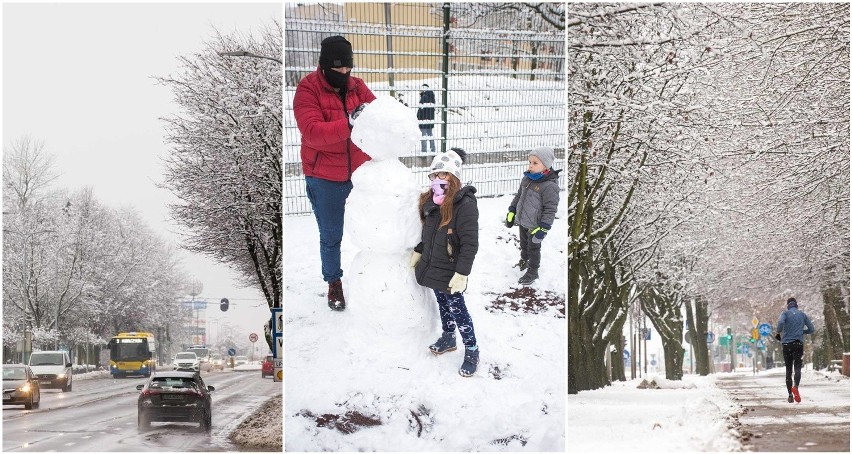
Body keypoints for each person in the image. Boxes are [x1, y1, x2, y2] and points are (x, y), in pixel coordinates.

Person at [293, 35, 376, 311]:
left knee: (376, 227)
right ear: (324, 65)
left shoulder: (357, 87)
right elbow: (313, 132)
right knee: (331, 235)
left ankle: (377, 278)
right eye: (338, 69)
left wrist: (390, 117)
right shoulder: (308, 89)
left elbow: (377, 116)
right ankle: (334, 282)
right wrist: (350, 123)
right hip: (325, 177)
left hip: (360, 173)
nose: (344, 74)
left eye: (347, 69)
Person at [409, 148, 480, 377]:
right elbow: (428, 234)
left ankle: (472, 350)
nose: (437, 180)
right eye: (434, 175)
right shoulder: (432, 201)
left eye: (443, 175)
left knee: (458, 309)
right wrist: (420, 251)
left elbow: (470, 243)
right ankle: (449, 337)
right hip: (435, 265)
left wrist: (462, 273)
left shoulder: (464, 204)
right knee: (442, 302)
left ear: (454, 177)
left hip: (452, 268)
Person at [505, 146, 561, 285]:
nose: (530, 165)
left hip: (536, 226)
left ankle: (533, 271)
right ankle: (524, 261)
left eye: (535, 163)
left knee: (534, 248)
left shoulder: (549, 186)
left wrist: (544, 227)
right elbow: (519, 196)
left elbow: (550, 209)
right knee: (524, 245)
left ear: (546, 165)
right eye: (530, 162)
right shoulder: (527, 179)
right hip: (523, 220)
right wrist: (512, 210)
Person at [775, 297, 815, 403]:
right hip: (798, 344)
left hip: (787, 344)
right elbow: (811, 329)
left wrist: (778, 332)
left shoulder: (785, 314)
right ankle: (796, 387)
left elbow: (780, 323)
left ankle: (790, 395)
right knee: (797, 367)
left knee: (788, 370)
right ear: (796, 304)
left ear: (788, 305)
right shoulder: (802, 315)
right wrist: (802, 332)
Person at [416, 84, 436, 153]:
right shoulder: (432, 97)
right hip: (430, 120)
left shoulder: (424, 98)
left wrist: (418, 118)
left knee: (423, 136)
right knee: (430, 135)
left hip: (423, 120)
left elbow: (420, 110)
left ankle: (424, 151)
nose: (419, 92)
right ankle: (433, 149)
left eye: (421, 90)